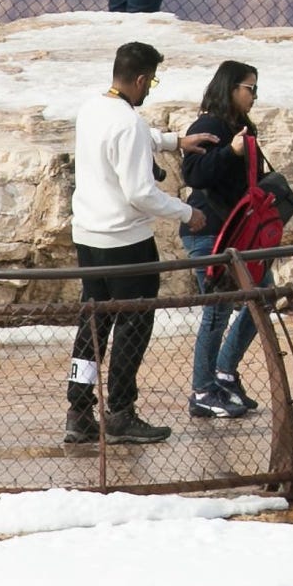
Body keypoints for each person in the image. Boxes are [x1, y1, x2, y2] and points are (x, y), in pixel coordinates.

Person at [64, 41, 211, 445]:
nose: (150, 89)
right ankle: (121, 413)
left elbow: (129, 136)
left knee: (93, 322)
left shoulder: (94, 107)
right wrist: (187, 213)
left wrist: (172, 141)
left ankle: (78, 409)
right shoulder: (127, 124)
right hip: (126, 241)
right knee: (133, 323)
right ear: (142, 79)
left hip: (89, 236)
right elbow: (141, 193)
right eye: (152, 82)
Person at [180, 61, 292, 420]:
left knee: (264, 294)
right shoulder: (209, 125)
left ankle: (224, 374)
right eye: (250, 88)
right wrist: (232, 152)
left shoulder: (240, 127)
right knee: (217, 311)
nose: (254, 96)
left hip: (237, 237)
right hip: (211, 233)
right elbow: (193, 173)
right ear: (231, 88)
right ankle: (202, 390)